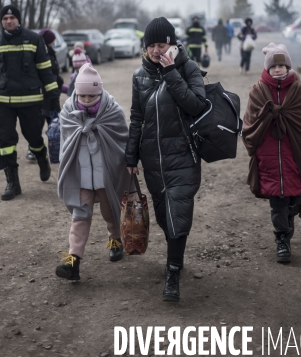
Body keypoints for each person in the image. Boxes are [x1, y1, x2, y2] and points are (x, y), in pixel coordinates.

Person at [126, 17, 206, 302]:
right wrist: (131, 154)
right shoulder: (139, 76)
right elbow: (137, 117)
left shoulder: (188, 68)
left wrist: (171, 71)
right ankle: (176, 253)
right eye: (152, 46)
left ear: (172, 44)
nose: (157, 50)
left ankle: (172, 272)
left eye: (162, 44)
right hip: (152, 159)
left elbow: (196, 105)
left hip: (183, 155)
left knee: (178, 211)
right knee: (163, 215)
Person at [241, 43, 301, 263]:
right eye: (274, 66)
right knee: (277, 202)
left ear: (288, 66)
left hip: (294, 157)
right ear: (267, 68)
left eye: (282, 65)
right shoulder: (258, 90)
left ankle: (289, 221)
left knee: (294, 200)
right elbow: (250, 123)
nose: (278, 69)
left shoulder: (300, 90)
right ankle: (282, 240)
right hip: (269, 157)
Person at [56, 63, 131, 281]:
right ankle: (73, 261)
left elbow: (120, 141)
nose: (87, 100)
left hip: (105, 175)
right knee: (80, 216)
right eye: (82, 96)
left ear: (99, 91)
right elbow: (65, 142)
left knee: (110, 211)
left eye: (92, 96)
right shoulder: (69, 111)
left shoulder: (112, 111)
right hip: (80, 175)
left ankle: (115, 240)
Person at [0, 5, 60, 200]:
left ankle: (41, 156)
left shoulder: (34, 39)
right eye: (5, 18)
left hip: (31, 100)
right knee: (6, 141)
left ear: (18, 19)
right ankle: (13, 184)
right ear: (1, 21)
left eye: (12, 17)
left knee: (33, 136)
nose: (9, 21)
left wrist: (53, 97)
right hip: (5, 101)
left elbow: (45, 70)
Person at [26, 28, 64, 162]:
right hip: (43, 95)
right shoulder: (43, 54)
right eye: (53, 40)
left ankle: (57, 149)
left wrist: (61, 85)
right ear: (48, 41)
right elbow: (47, 74)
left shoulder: (50, 52)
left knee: (54, 123)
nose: (54, 42)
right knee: (39, 124)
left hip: (51, 93)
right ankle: (33, 150)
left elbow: (54, 74)